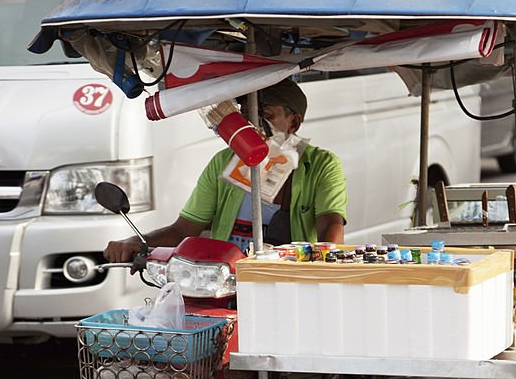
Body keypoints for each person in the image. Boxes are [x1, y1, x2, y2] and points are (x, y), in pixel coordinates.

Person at [105, 79, 347, 262]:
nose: (253, 125)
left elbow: (330, 227)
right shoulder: (222, 163)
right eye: (246, 115)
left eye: (264, 115)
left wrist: (326, 269)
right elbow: (184, 229)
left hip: (289, 281)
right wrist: (136, 241)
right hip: (225, 280)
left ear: (293, 122)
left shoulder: (322, 166)